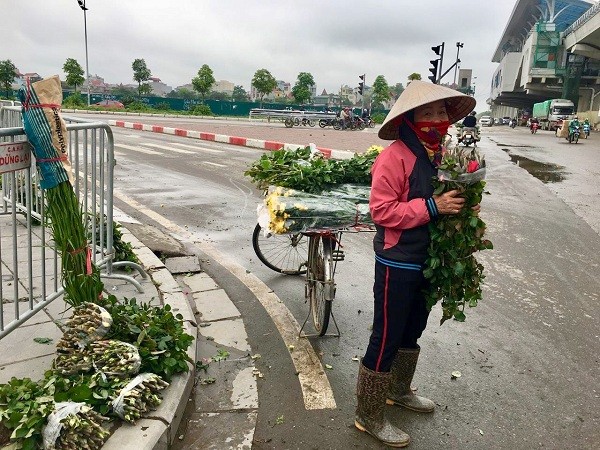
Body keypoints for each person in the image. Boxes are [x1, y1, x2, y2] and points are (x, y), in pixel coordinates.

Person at [354, 80, 477, 447]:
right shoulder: (393, 158)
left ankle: (398, 390)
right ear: (410, 118)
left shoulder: (439, 155)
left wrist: (462, 207)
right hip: (398, 260)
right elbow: (382, 211)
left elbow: (445, 199)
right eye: (430, 112)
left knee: (413, 330)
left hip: (429, 258)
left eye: (442, 112)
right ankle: (368, 413)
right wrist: (434, 207)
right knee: (387, 335)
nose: (438, 119)